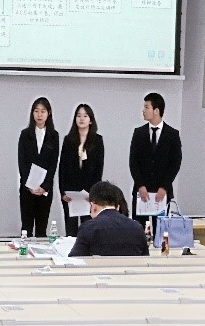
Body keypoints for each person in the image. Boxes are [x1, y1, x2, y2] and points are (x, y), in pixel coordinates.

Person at [129, 92, 182, 234]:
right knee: (139, 230)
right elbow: (133, 162)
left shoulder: (172, 134)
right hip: (142, 192)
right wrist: (140, 185)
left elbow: (175, 163)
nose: (143, 110)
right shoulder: (139, 133)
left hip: (162, 192)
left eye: (146, 107)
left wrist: (164, 187)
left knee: (160, 232)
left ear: (156, 110)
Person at [58, 104, 104, 237]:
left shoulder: (97, 140)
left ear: (91, 120)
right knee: (71, 231)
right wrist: (62, 192)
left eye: (85, 116)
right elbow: (62, 168)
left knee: (88, 229)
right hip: (70, 194)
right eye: (78, 116)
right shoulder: (68, 140)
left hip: (88, 195)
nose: (81, 119)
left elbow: (98, 169)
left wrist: (93, 194)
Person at [68, 181, 149, 257]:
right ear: (117, 206)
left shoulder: (88, 227)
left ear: (93, 206)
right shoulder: (137, 227)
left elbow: (75, 258)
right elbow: (145, 258)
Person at [17, 97, 59, 238]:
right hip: (27, 188)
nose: (39, 115)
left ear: (48, 113)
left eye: (43, 111)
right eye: (36, 111)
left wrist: (45, 186)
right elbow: (22, 162)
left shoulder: (54, 136)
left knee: (41, 228)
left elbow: (53, 164)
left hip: (45, 190)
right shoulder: (25, 134)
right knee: (26, 227)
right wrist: (29, 185)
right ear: (32, 113)